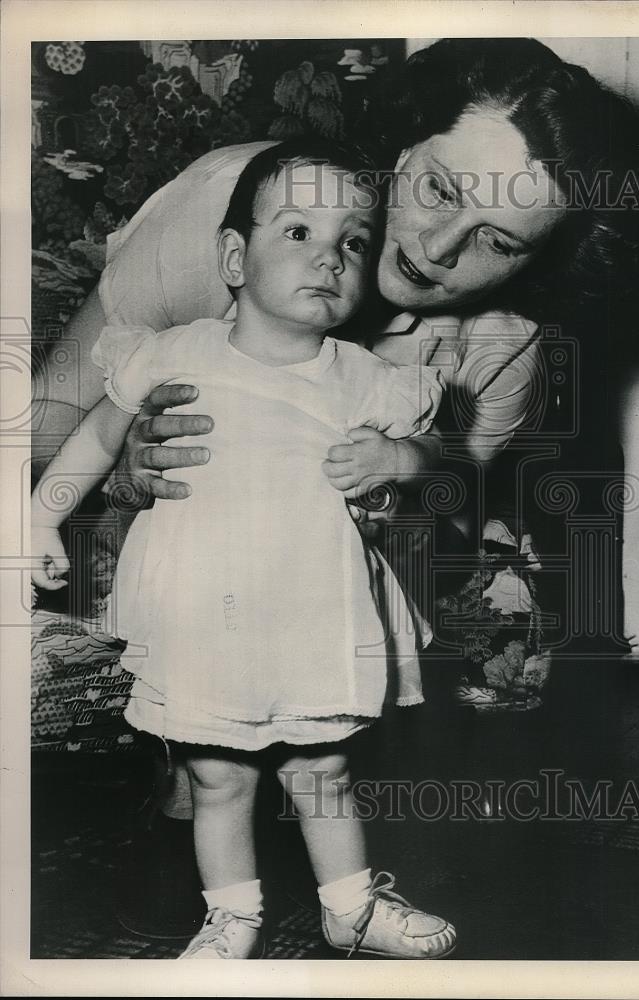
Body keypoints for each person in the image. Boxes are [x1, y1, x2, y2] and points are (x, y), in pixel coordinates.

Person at [33, 38, 639, 947]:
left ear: (537, 261)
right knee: (177, 827)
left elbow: (415, 545)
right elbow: (51, 416)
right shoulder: (240, 204)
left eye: (498, 240)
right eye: (440, 190)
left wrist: (398, 486)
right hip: (145, 537)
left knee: (303, 774)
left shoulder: (497, 349)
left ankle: (331, 889)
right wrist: (107, 484)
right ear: (402, 148)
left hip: (304, 582)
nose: (437, 251)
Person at [31, 139, 457, 960]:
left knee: (323, 769)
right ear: (234, 255)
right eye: (297, 232)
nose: (329, 257)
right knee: (219, 777)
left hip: (314, 606)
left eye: (353, 242)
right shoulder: (173, 351)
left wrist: (397, 460)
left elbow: (432, 456)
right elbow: (93, 435)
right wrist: (39, 518)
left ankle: (350, 907)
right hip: (204, 609)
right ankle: (232, 918)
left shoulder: (366, 375)